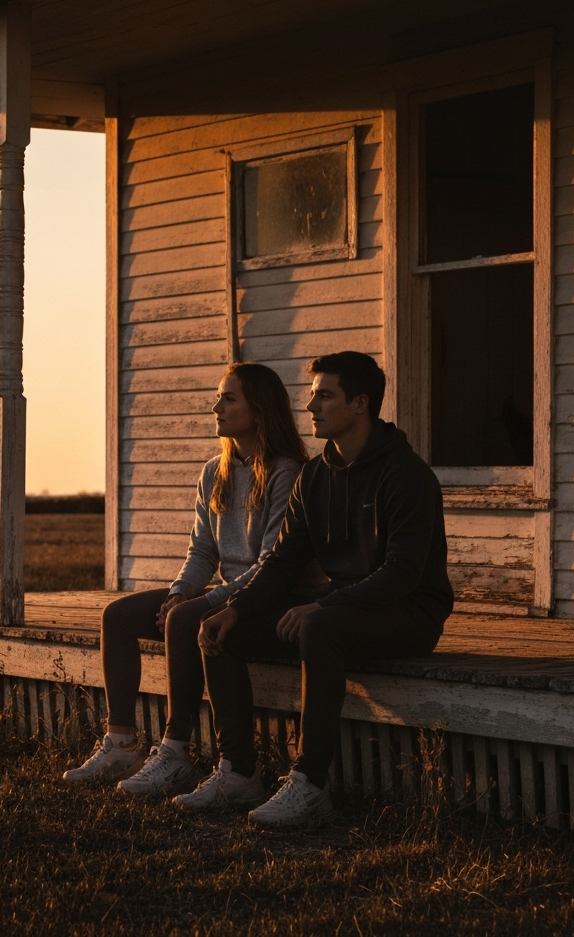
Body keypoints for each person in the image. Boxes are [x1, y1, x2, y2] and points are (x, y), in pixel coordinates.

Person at [176, 351, 452, 826]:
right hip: (343, 606)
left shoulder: (407, 475)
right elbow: (282, 562)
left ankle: (310, 783)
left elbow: (403, 575)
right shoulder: (316, 476)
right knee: (222, 632)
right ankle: (239, 771)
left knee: (319, 625)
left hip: (408, 614)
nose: (311, 406)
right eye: (312, 395)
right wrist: (235, 609)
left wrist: (324, 603)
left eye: (324, 395)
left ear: (360, 403)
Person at [63, 362, 309, 794]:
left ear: (259, 409)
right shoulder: (215, 470)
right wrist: (180, 592)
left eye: (228, 398)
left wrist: (204, 604)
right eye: (219, 397)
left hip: (270, 594)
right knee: (118, 615)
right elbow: (202, 551)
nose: (216, 407)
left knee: (184, 619)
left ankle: (175, 752)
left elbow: (273, 563)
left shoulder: (285, 470)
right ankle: (120, 743)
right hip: (229, 590)